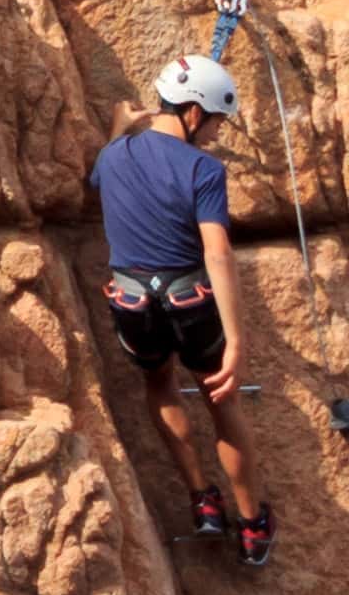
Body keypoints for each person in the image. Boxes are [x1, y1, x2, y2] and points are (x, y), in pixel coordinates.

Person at [98, 56, 278, 569]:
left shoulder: (114, 157)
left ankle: (202, 498)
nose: (217, 135)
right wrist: (238, 342)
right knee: (222, 403)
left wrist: (119, 124)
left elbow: (105, 158)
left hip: (132, 307)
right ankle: (252, 525)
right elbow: (217, 253)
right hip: (191, 308)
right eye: (217, 123)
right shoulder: (203, 169)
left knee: (159, 385)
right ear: (195, 114)